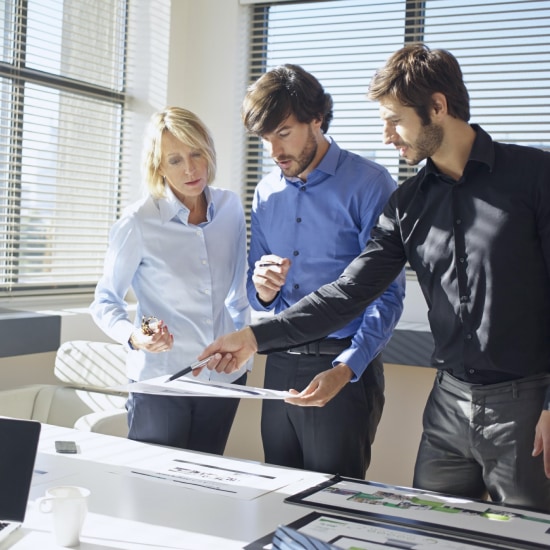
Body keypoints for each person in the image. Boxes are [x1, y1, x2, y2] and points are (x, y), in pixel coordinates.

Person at [199, 44, 550, 512]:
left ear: (438, 107)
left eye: (395, 119)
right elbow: (349, 292)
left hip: (524, 404)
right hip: (447, 402)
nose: (386, 137)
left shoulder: (535, 176)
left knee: (527, 535)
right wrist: (253, 336)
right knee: (428, 532)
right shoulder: (407, 203)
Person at [239, 64, 405, 478]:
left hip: (340, 365)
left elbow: (386, 294)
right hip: (277, 363)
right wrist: (262, 290)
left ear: (317, 119)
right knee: (277, 493)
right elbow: (255, 289)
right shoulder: (265, 192)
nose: (274, 151)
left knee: (336, 504)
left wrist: (347, 368)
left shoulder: (370, 184)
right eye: (264, 138)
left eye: (284, 132)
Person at [90, 106, 252, 455]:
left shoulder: (230, 208)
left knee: (208, 483)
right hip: (163, 381)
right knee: (153, 489)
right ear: (158, 166)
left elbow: (238, 294)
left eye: (196, 154)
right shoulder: (138, 222)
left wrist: (244, 354)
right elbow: (105, 301)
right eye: (175, 160)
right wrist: (136, 336)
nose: (190, 169)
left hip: (223, 379)